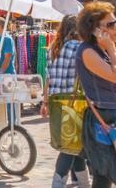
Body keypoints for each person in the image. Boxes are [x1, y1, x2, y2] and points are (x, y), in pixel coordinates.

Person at [75, 1, 116, 188]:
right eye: (110, 24)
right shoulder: (88, 51)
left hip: (113, 117)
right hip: (102, 121)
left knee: (103, 177)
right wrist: (111, 47)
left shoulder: (101, 50)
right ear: (95, 30)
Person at [41, 15, 90, 188]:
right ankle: (57, 184)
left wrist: (44, 102)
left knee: (73, 146)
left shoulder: (53, 48)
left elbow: (48, 78)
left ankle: (84, 183)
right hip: (73, 103)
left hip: (56, 103)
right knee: (69, 148)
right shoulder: (78, 48)